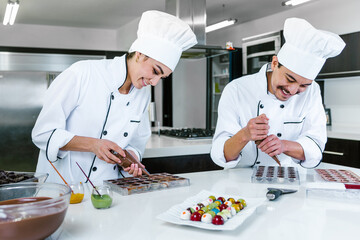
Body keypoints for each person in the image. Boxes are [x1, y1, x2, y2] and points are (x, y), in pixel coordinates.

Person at [32, 10, 197, 184]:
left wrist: (131, 158)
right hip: (64, 184)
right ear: (140, 54)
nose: (155, 82)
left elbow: (137, 142)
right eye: (155, 71)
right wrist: (93, 145)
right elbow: (43, 133)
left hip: (107, 187)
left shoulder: (142, 94)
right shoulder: (82, 73)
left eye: (161, 78)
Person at [211, 18, 345, 169]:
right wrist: (245, 134)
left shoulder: (312, 91)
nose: (293, 91)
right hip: (240, 182)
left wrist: (284, 146)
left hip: (290, 179)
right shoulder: (236, 90)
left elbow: (315, 148)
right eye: (290, 79)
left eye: (303, 85)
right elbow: (221, 156)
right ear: (275, 63)